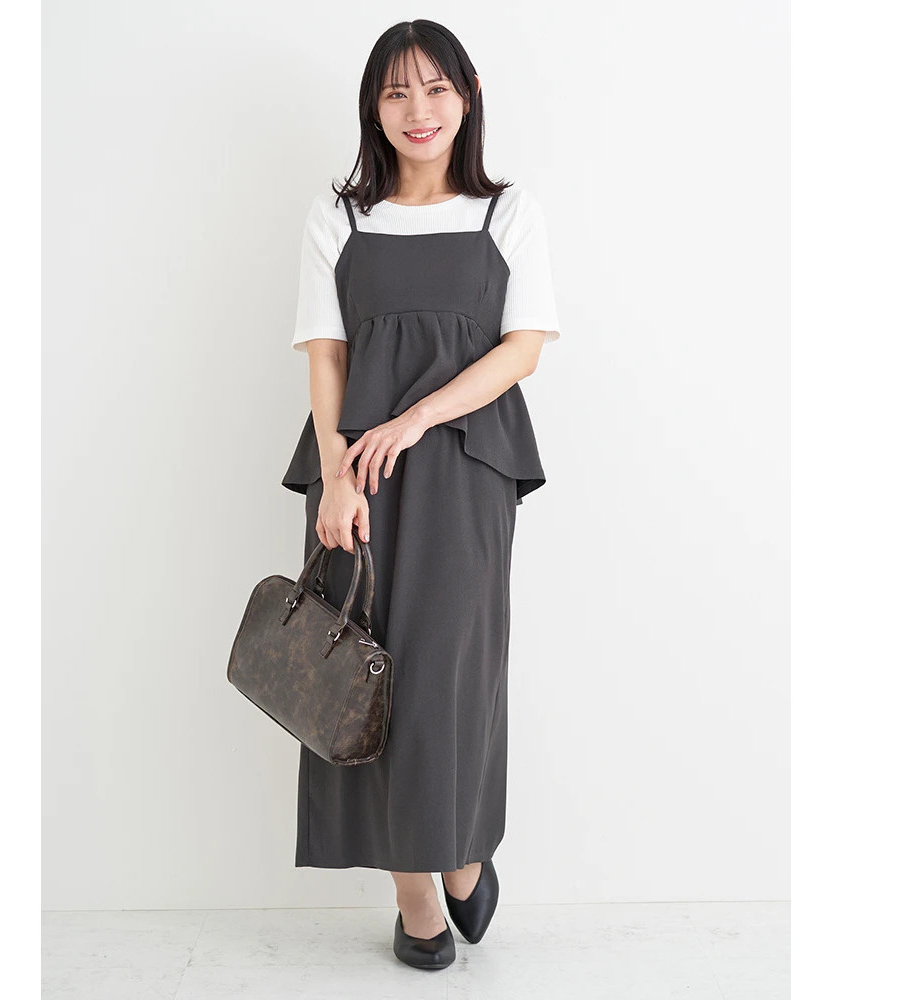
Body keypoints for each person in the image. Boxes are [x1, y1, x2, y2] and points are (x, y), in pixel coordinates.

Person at [280, 19, 561, 971]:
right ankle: (415, 899)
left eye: (435, 88)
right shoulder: (340, 216)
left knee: (447, 677)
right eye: (396, 92)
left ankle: (461, 853)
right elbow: (327, 355)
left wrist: (415, 420)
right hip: (354, 480)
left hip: (466, 468)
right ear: (374, 107)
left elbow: (522, 350)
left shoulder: (505, 212)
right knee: (365, 678)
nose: (418, 110)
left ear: (467, 96)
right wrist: (334, 474)